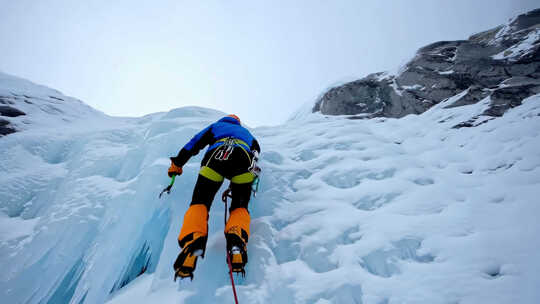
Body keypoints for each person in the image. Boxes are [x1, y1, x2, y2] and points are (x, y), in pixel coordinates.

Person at [167, 114, 261, 280]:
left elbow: (194, 143)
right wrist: (236, 183)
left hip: (216, 158)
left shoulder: (216, 127)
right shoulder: (248, 134)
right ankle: (237, 239)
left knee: (200, 202)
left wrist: (177, 164)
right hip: (244, 163)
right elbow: (256, 153)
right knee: (240, 207)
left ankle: (193, 239)